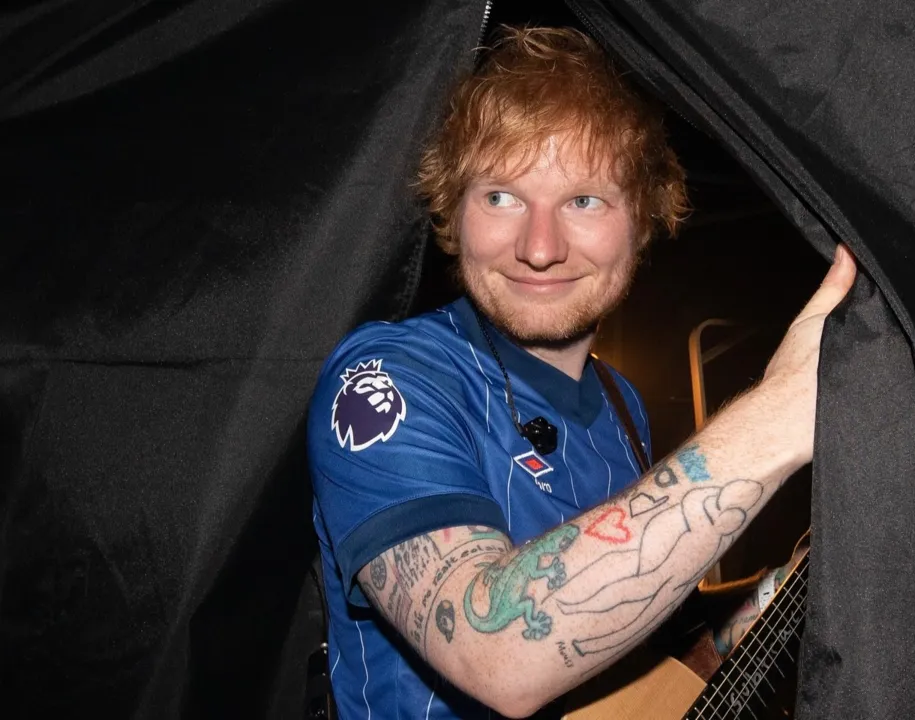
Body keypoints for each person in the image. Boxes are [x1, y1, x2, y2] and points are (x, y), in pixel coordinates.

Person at [307, 26, 857, 720]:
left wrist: (800, 580)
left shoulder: (621, 401)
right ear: (454, 208)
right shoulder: (386, 377)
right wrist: (780, 414)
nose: (539, 248)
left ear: (645, 219)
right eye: (501, 196)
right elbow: (500, 653)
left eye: (584, 201)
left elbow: (641, 645)